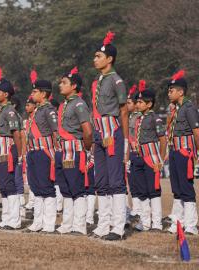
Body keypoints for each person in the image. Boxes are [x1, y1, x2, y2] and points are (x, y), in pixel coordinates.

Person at [91, 32, 129, 240]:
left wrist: (124, 139)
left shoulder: (116, 81)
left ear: (109, 59)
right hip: (98, 132)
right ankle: (104, 224)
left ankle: (118, 226)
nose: (95, 59)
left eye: (98, 56)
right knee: (102, 181)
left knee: (115, 181)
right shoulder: (98, 81)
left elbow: (123, 111)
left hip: (112, 131)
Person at [56, 67, 93, 235]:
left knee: (77, 188)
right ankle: (67, 223)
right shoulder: (64, 105)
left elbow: (87, 130)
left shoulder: (79, 104)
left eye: (64, 83)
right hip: (62, 150)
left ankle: (79, 226)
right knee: (65, 188)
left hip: (74, 149)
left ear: (74, 86)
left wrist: (85, 150)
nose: (60, 85)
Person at [166, 70, 199, 235]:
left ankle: (191, 224)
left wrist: (197, 154)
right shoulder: (174, 108)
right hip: (173, 150)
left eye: (172, 90)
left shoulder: (189, 107)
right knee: (176, 187)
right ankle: (178, 222)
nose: (169, 93)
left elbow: (196, 132)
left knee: (186, 186)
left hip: (185, 151)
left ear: (181, 91)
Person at [26, 79, 58, 233]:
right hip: (33, 151)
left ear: (43, 94)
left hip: (44, 151)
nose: (32, 94)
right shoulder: (38, 110)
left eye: (35, 91)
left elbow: (56, 132)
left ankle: (49, 223)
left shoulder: (48, 110)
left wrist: (56, 154)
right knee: (35, 187)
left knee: (46, 187)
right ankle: (38, 222)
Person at [133, 83, 166, 232]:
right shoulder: (139, 119)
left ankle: (157, 223)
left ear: (149, 104)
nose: (137, 104)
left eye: (140, 102)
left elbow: (163, 140)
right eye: (137, 101)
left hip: (151, 158)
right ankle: (146, 222)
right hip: (139, 157)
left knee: (153, 190)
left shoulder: (156, 119)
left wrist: (161, 159)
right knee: (142, 190)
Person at [0, 77, 23, 229]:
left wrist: (19, 153)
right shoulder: (1, 110)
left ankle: (15, 220)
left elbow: (16, 134)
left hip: (8, 150)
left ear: (6, 94)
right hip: (0, 150)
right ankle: (6, 218)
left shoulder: (10, 111)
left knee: (10, 185)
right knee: (3, 186)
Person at [126, 84, 142, 220]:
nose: (127, 105)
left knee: (137, 182)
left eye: (129, 102)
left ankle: (140, 210)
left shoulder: (138, 117)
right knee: (132, 182)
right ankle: (136, 209)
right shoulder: (131, 116)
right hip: (130, 152)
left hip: (137, 152)